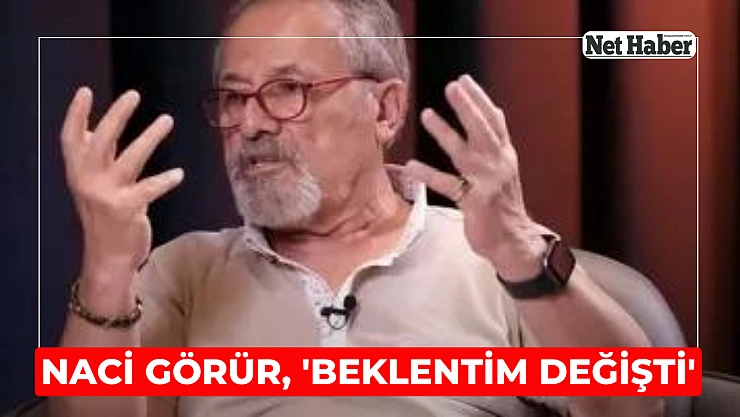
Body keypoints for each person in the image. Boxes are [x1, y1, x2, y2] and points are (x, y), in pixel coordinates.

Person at [50, 0, 663, 416]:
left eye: (287, 90)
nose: (251, 124)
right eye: (234, 98)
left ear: (385, 110)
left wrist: (521, 254)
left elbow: (638, 404)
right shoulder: (187, 272)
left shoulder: (494, 259)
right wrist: (106, 266)